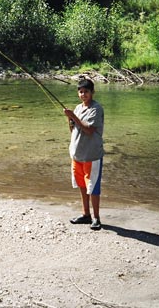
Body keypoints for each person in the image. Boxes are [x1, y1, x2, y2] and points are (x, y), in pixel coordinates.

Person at [63, 78, 104, 230]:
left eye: (86, 91)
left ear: (92, 92)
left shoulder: (96, 109)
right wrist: (70, 119)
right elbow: (74, 130)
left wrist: (73, 116)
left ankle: (96, 218)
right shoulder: (78, 108)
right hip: (77, 155)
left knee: (93, 187)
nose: (83, 94)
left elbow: (89, 130)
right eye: (81, 92)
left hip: (91, 156)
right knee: (81, 185)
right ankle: (86, 215)